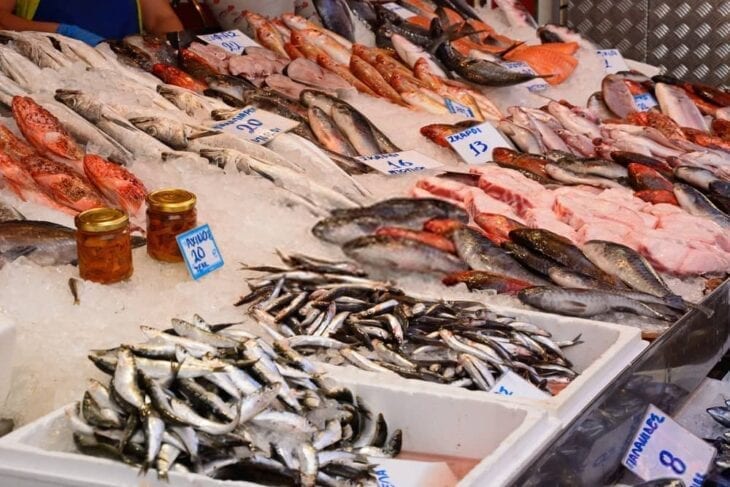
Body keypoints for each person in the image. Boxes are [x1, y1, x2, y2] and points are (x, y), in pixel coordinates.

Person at [0, 0, 184, 46]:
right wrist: (61, 31)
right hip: (47, 74)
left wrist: (172, 47)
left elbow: (162, 19)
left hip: (123, 74)